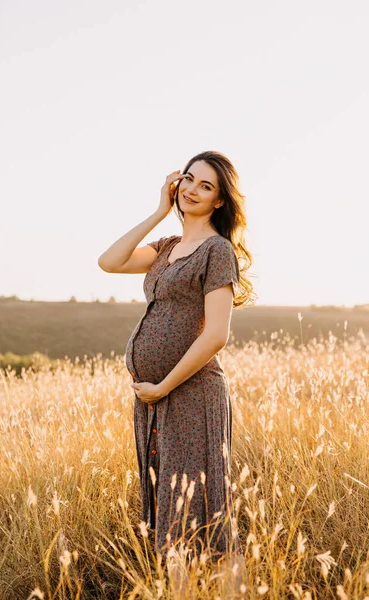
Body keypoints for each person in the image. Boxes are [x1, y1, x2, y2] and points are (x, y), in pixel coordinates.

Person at [98, 150, 256, 593]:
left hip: (190, 393)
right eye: (188, 179)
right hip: (153, 398)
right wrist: (157, 211)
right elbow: (109, 261)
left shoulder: (217, 251)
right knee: (167, 510)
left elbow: (216, 335)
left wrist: (164, 385)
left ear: (221, 201)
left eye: (206, 186)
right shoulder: (166, 248)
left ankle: (226, 593)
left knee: (198, 511)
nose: (192, 189)